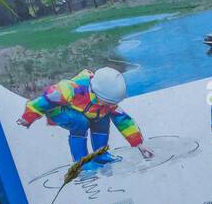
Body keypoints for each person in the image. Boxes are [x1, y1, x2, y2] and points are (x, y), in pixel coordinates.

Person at [17, 67, 153, 167]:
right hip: (59, 111)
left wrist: (139, 144)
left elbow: (123, 119)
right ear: (95, 91)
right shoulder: (70, 89)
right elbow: (44, 101)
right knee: (80, 121)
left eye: (112, 103)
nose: (110, 105)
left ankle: (100, 154)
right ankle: (81, 161)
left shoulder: (107, 102)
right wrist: (28, 117)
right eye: (107, 102)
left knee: (103, 117)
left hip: (87, 110)